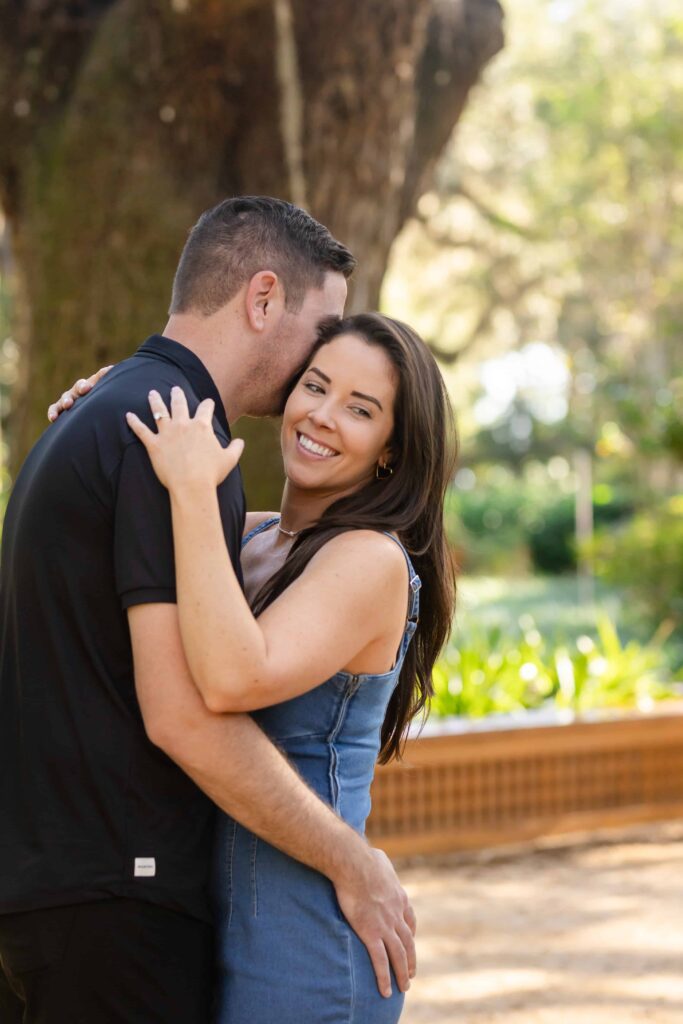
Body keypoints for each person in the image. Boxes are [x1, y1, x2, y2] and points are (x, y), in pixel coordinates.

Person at [0, 197, 418, 1024]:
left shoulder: (133, 421)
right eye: (320, 340)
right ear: (262, 299)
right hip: (117, 901)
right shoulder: (177, 439)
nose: (316, 371)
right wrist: (353, 860)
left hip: (79, 899)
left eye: (360, 406)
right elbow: (190, 713)